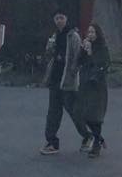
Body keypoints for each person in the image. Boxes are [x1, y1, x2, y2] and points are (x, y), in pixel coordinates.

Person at [40, 11, 90, 153]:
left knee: (74, 111)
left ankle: (88, 136)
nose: (59, 21)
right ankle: (52, 142)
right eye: (56, 18)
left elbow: (78, 56)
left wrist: (74, 73)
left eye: (61, 18)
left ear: (66, 19)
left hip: (67, 79)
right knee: (53, 112)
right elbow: (49, 54)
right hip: (55, 78)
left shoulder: (73, 36)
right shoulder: (55, 35)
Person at [76, 23, 110, 158]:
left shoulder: (102, 48)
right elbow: (78, 62)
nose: (90, 35)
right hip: (85, 85)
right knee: (82, 114)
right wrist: (83, 50)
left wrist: (91, 53)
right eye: (88, 32)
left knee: (95, 116)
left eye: (93, 32)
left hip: (97, 86)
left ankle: (96, 144)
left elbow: (104, 64)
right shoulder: (85, 46)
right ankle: (99, 138)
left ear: (98, 34)